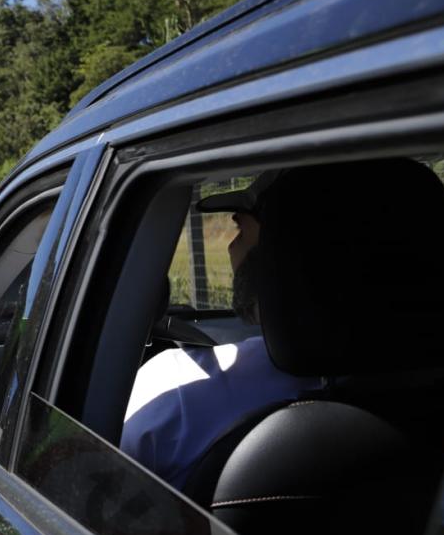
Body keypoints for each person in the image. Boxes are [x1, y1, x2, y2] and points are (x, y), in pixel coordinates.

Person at [121, 170, 319, 490]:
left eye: (240, 229)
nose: (230, 248)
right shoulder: (424, 397)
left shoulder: (173, 389)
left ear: (282, 251)